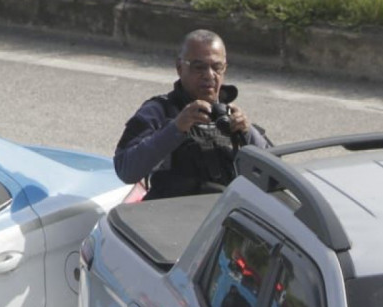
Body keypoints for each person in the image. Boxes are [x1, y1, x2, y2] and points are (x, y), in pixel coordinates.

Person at [114, 29, 269, 200]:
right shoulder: (159, 112)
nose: (209, 75)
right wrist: (175, 129)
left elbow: (276, 176)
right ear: (180, 68)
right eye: (199, 67)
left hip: (225, 217)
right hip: (172, 218)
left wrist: (248, 134)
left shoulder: (231, 116)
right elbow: (125, 170)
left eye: (217, 67)